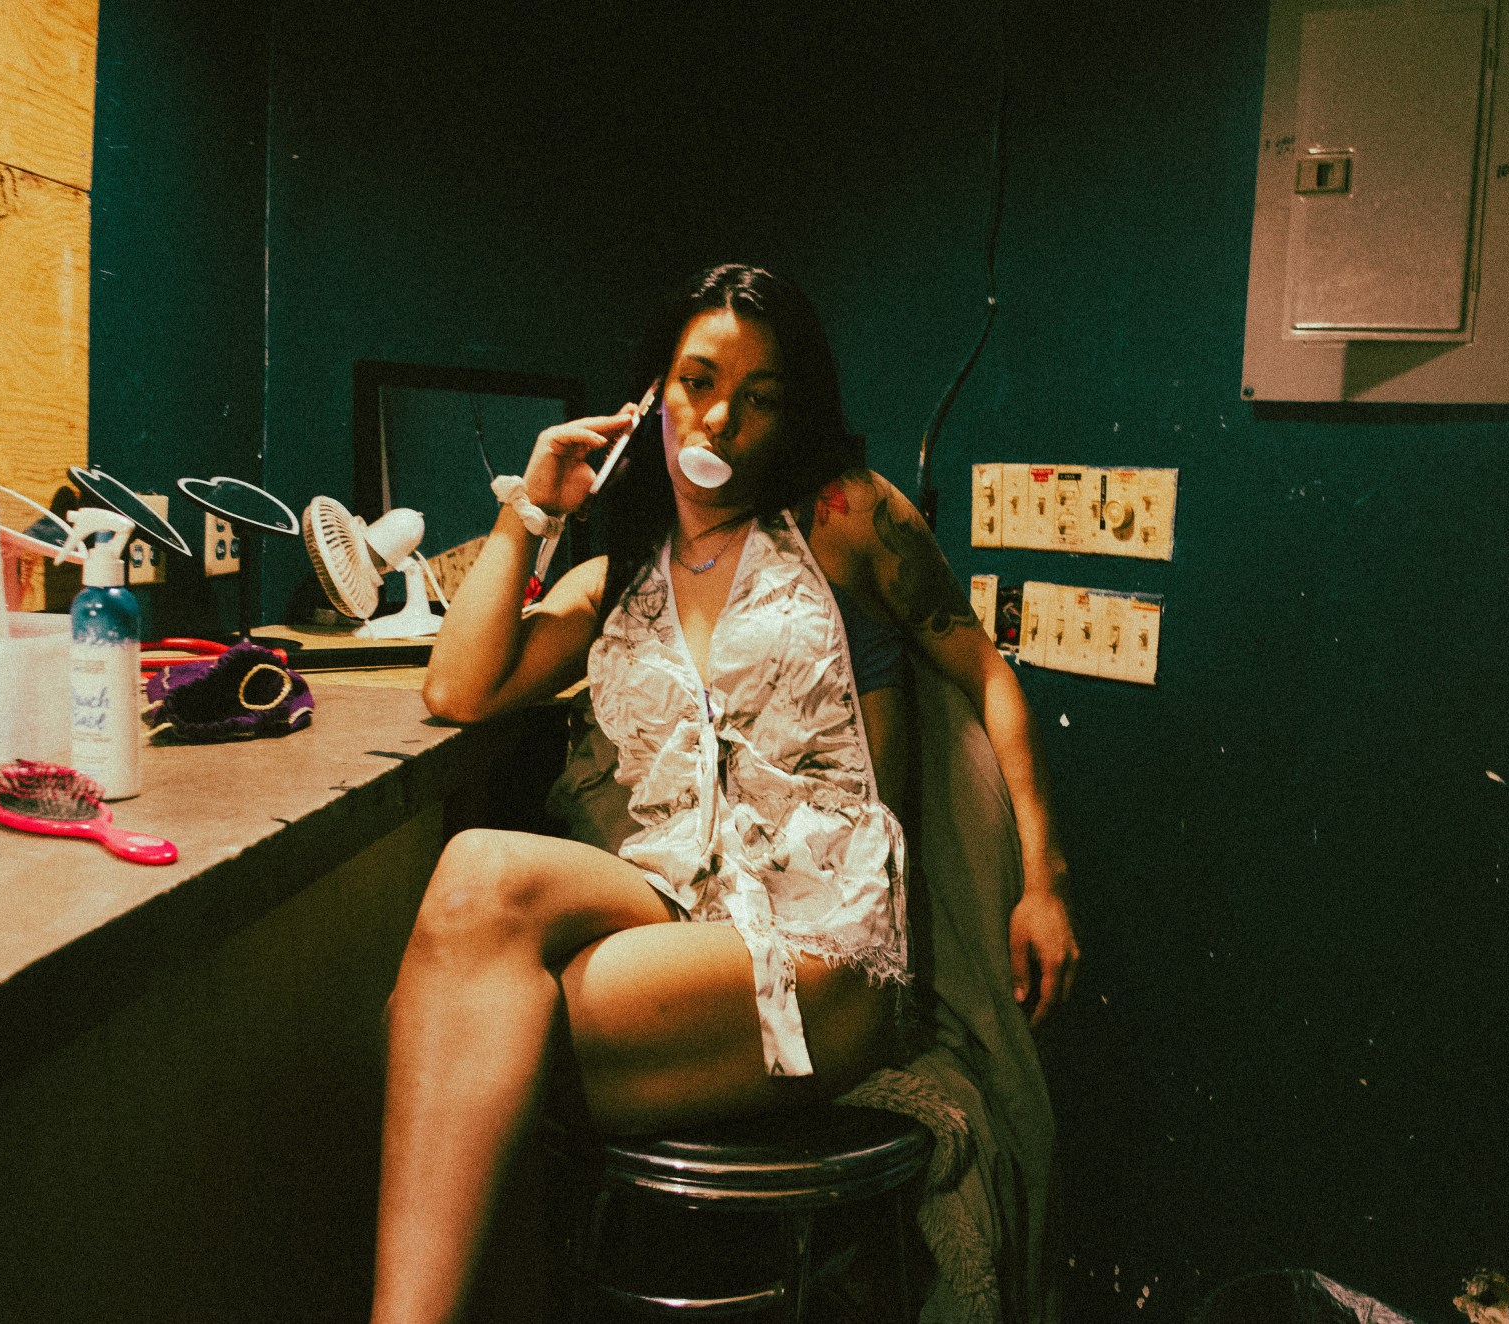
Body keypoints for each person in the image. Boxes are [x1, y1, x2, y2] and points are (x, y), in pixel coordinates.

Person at [374, 264, 1078, 1323]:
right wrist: (531, 506)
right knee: (477, 882)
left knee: (441, 1038)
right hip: (679, 909)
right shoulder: (626, 567)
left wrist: (1042, 876)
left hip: (825, 949)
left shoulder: (842, 514)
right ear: (651, 396)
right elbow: (457, 686)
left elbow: (983, 670)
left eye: (760, 396)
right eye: (698, 381)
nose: (722, 419)